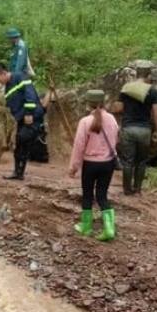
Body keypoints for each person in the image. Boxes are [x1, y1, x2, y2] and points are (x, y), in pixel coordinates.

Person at [69, 89, 119, 241]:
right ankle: (109, 229)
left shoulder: (85, 122)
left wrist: (74, 166)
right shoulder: (112, 119)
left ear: (88, 104)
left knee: (88, 195)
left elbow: (79, 146)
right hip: (108, 163)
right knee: (102, 195)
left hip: (90, 164)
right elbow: (116, 139)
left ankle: (86, 227)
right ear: (104, 103)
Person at [111, 60, 157, 195]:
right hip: (144, 130)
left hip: (128, 128)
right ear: (148, 75)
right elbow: (156, 113)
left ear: (137, 74)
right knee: (141, 161)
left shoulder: (127, 88)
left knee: (127, 161)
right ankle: (138, 189)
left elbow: (118, 108)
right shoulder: (152, 90)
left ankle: (127, 190)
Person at [0, 63, 45, 180]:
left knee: (23, 139)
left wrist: (29, 112)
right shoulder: (8, 87)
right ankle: (18, 172)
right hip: (21, 118)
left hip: (31, 116)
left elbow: (29, 94)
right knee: (20, 144)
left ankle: (19, 171)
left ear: (3, 73)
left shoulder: (20, 78)